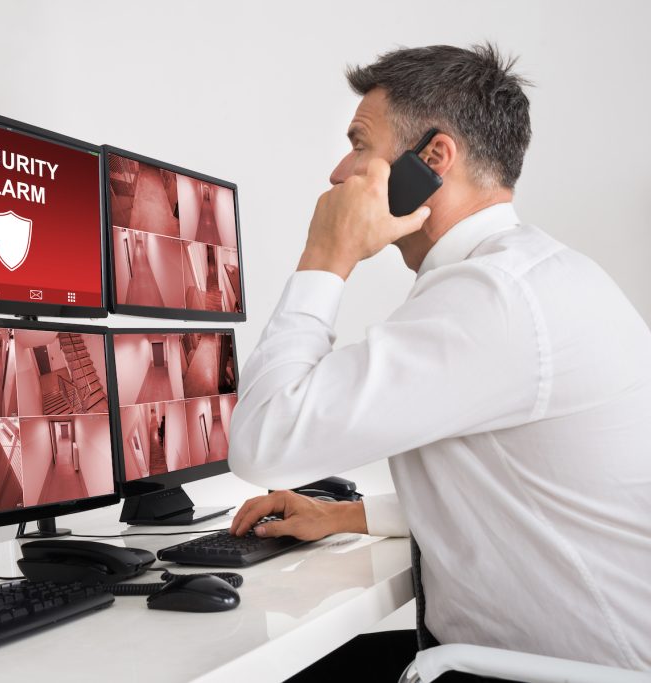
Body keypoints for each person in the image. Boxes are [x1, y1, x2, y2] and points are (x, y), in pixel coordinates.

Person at [227, 43, 651, 679]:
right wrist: (343, 516)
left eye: (359, 144)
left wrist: (326, 254)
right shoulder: (533, 274)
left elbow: (264, 442)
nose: (341, 173)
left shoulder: (494, 299)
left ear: (433, 159)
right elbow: (525, 492)